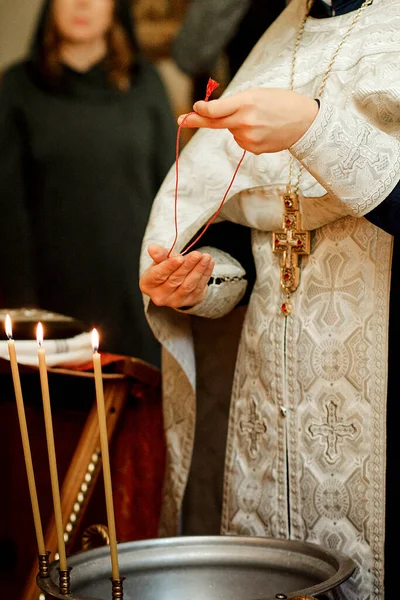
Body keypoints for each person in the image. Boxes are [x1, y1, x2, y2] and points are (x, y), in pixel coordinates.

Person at [140, 0, 400, 597]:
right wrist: (202, 283)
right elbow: (247, 224)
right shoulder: (276, 32)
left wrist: (317, 129)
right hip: (269, 395)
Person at [0, 0, 176, 365]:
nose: (82, 4)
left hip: (134, 289)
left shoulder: (146, 84)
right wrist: (22, 312)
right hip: (50, 297)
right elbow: (7, 209)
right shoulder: (18, 87)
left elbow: (170, 191)